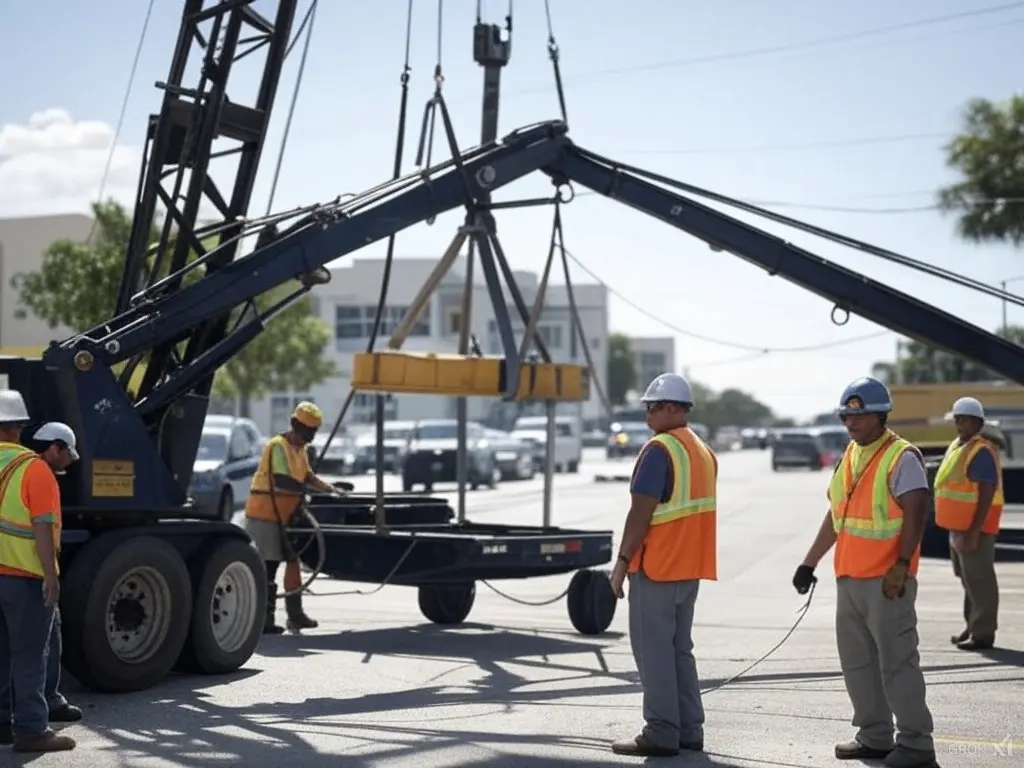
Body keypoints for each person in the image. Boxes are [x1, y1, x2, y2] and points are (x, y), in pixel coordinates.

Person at [792, 377, 937, 768]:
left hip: (887, 582)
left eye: (860, 416)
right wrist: (810, 561)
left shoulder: (901, 457)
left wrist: (902, 565)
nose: (851, 423)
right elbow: (836, 515)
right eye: (846, 416)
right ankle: (874, 736)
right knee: (858, 664)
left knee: (897, 662)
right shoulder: (850, 456)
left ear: (881, 415)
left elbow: (917, 511)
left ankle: (917, 745)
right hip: (850, 579)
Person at [610, 373, 717, 759]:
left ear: (673, 408)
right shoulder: (702, 450)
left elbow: (640, 514)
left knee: (654, 653)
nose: (648, 414)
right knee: (678, 651)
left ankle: (660, 731)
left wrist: (621, 563)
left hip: (657, 568)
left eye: (653, 407)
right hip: (689, 568)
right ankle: (689, 729)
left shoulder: (660, 450)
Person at [0, 394, 76, 752]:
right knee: (30, 655)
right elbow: (42, 525)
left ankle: (1, 724)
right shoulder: (34, 468)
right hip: (24, 575)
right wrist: (50, 574)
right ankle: (31, 729)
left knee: (1, 653)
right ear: (17, 428)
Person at [243, 402, 342, 634]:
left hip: (286, 515)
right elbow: (281, 480)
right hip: (265, 514)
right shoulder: (278, 446)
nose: (310, 437)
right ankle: (264, 620)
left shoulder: (300, 449)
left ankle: (296, 616)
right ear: (295, 424)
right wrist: (305, 491)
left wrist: (331, 489)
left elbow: (307, 476)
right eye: (308, 431)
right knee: (268, 566)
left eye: (314, 432)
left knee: (293, 563)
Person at [933, 396, 1001, 651]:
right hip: (959, 527)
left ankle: (983, 633)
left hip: (976, 529)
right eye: (957, 419)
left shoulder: (980, 451)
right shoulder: (959, 446)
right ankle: (972, 625)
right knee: (968, 578)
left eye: (963, 419)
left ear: (976, 422)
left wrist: (973, 532)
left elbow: (986, 492)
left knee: (980, 579)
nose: (958, 424)